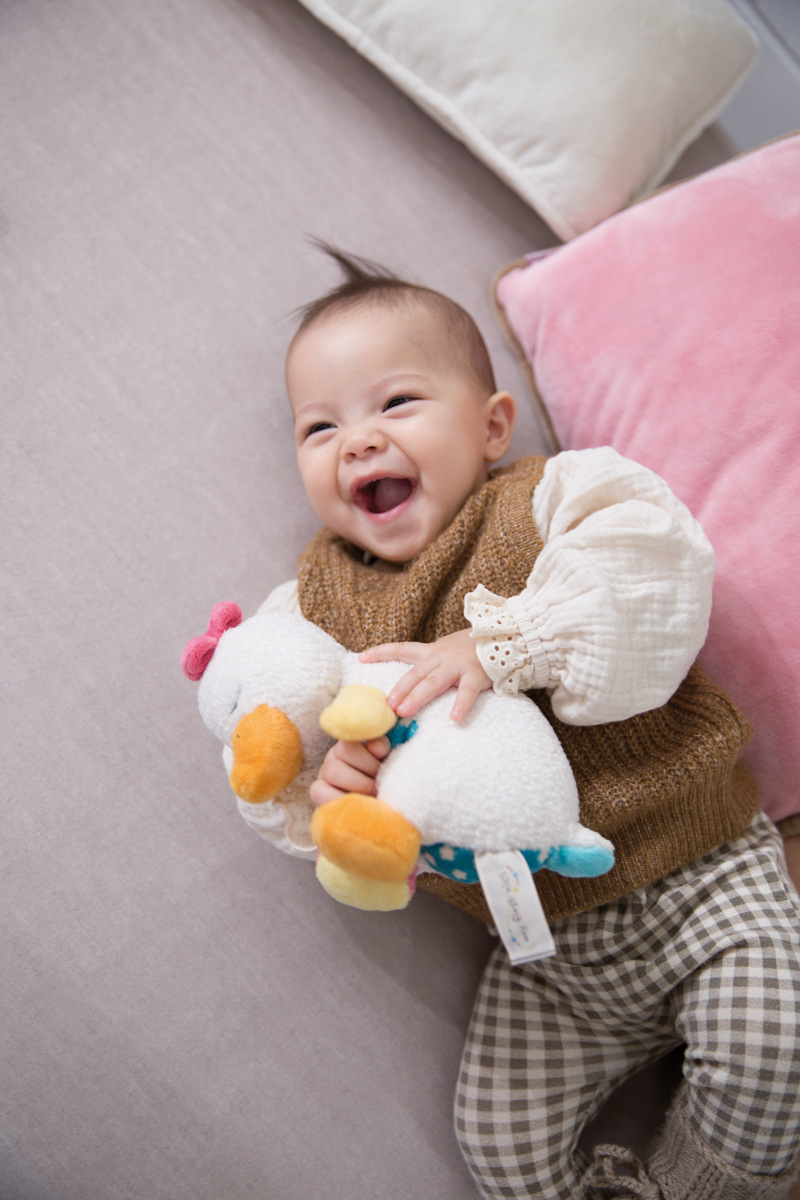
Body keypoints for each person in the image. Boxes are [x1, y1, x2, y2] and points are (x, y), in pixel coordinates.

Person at [244, 247, 800, 1199]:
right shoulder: (316, 606)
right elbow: (282, 728)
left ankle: (691, 1187)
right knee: (496, 1140)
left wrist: (506, 643)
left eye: (396, 404)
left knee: (776, 1037)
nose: (359, 442)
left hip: (699, 867)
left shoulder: (549, 501)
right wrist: (327, 792)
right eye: (320, 426)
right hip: (546, 950)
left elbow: (654, 570)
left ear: (493, 425)